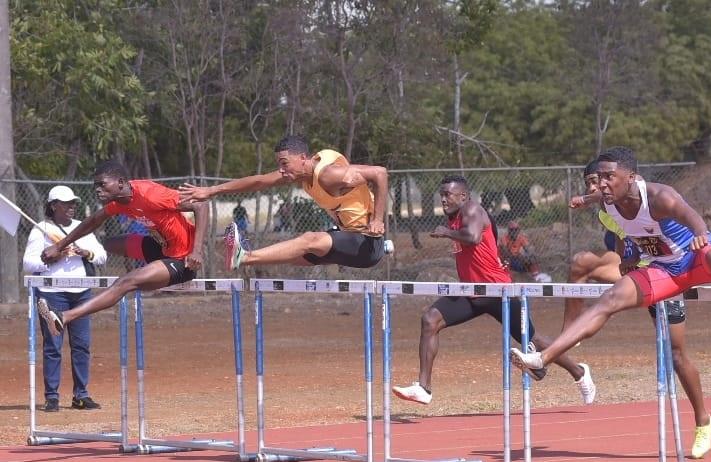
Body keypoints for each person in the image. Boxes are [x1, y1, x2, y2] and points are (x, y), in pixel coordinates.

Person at [511, 147, 711, 402]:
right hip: (664, 270)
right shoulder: (608, 204)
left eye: (608, 178)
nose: (601, 185)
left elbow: (693, 216)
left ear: (631, 178)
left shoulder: (660, 197)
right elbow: (602, 202)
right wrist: (591, 209)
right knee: (611, 299)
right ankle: (543, 357)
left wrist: (700, 234)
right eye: (597, 180)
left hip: (693, 256)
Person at [392, 175, 596, 406]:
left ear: (463, 196)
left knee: (533, 340)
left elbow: (473, 237)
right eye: (441, 195)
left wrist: (446, 232)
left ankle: (579, 372)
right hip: (471, 291)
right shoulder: (455, 216)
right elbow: (489, 240)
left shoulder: (472, 209)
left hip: (498, 292)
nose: (443, 199)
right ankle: (423, 388)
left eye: (447, 194)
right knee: (430, 320)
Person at [565, 159, 711, 458]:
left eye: (601, 181)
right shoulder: (607, 211)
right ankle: (572, 331)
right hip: (639, 273)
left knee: (676, 354)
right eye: (590, 185)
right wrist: (626, 258)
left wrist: (585, 198)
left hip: (669, 271)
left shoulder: (640, 194)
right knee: (582, 263)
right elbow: (623, 242)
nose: (596, 188)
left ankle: (703, 421)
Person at [36, 160, 209, 336]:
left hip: (183, 259)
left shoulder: (151, 194)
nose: (97, 189)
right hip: (161, 247)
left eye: (102, 184)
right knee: (108, 244)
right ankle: (136, 275)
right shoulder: (120, 202)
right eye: (96, 185)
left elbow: (200, 205)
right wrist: (59, 246)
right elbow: (94, 221)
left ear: (120, 182)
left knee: (126, 282)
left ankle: (64, 317)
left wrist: (197, 251)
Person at [179, 135, 390, 270]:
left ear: (303, 158)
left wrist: (378, 220)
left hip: (367, 243)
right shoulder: (299, 175)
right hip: (348, 238)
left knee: (310, 239)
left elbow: (380, 173)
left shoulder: (329, 174)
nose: (281, 170)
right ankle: (246, 259)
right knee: (297, 256)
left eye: (284, 163)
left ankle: (243, 257)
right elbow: (259, 181)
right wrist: (211, 190)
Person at [23, 186, 108, 411]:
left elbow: (101, 256)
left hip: (81, 294)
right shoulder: (40, 229)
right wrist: (53, 258)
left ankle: (81, 395)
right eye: (66, 203)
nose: (71, 207)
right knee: (53, 345)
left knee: (82, 345)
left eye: (73, 203)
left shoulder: (83, 229)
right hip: (52, 294)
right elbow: (28, 263)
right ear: (53, 206)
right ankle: (52, 397)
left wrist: (85, 253)